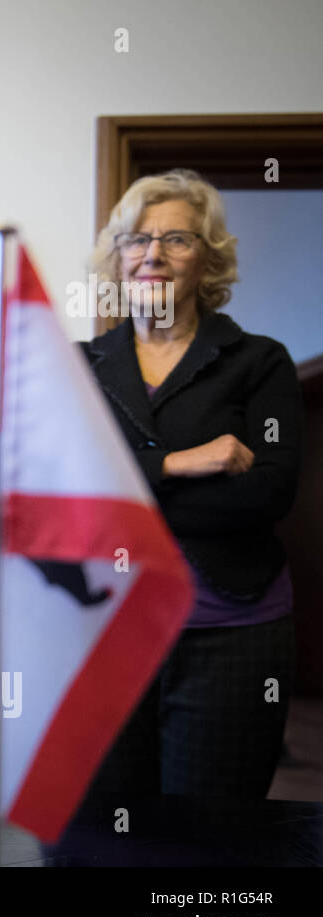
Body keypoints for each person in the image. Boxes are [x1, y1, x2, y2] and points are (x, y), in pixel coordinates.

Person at [82, 169, 302, 798]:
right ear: (117, 258)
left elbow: (268, 493)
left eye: (177, 239)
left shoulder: (260, 362)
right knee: (98, 834)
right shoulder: (77, 365)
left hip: (230, 632)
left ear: (208, 260)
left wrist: (122, 483)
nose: (152, 253)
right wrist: (180, 464)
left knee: (211, 838)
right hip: (97, 632)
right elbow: (59, 496)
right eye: (135, 239)